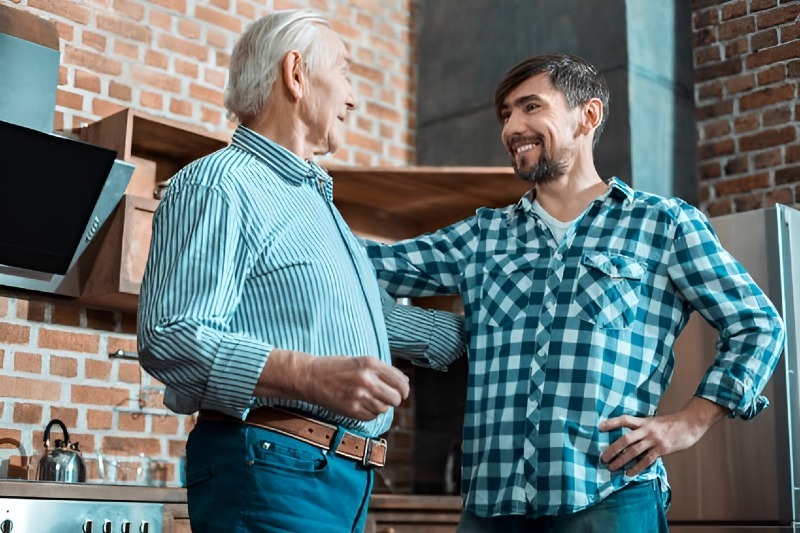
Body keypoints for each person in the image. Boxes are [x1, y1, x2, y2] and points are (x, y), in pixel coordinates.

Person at [364, 53, 785, 532]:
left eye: (530, 107)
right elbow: (361, 265)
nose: (512, 127)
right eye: (505, 115)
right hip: (490, 508)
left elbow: (758, 324)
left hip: (610, 499)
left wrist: (689, 421)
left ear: (588, 115)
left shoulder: (662, 224)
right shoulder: (482, 236)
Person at [137, 9, 464, 533]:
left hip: (334, 477)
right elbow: (170, 336)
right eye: (345, 72)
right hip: (272, 469)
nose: (353, 98)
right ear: (296, 74)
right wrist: (311, 376)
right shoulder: (219, 184)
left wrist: (490, 333)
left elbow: (373, 320)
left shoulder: (316, 205)